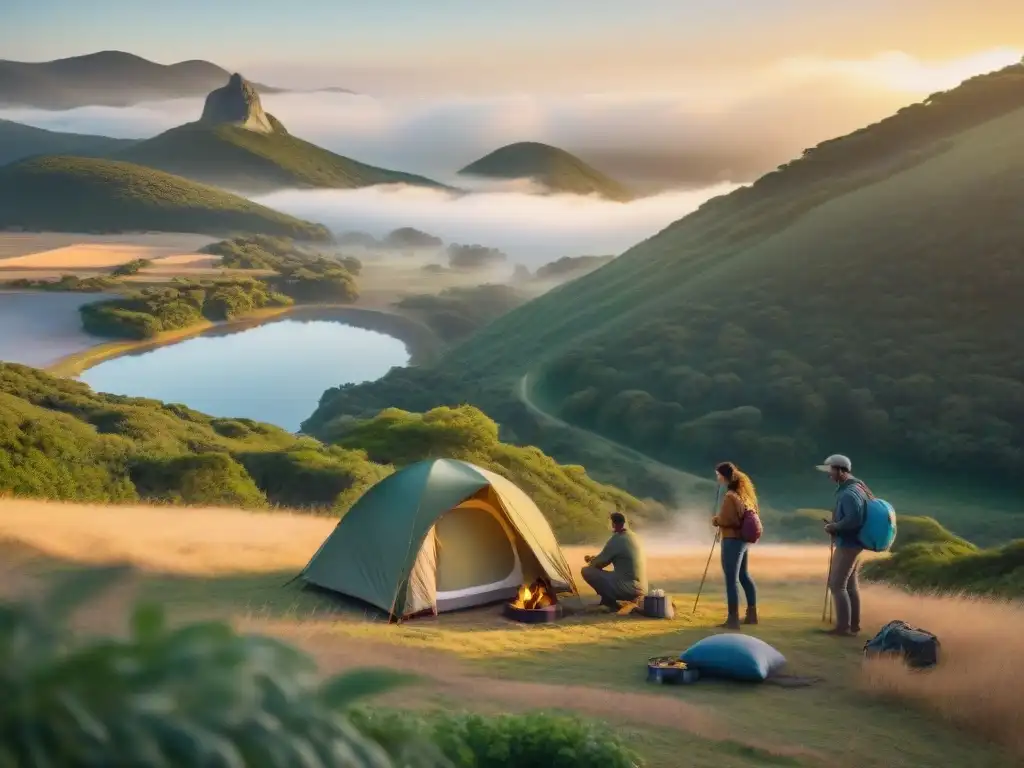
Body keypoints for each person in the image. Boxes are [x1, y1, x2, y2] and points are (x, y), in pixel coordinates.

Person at [817, 453, 868, 637]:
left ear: (840, 470)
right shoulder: (858, 487)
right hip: (855, 543)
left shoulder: (848, 493)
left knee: (836, 585)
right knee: (850, 586)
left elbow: (854, 519)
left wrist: (834, 527)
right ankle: (854, 625)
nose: (829, 474)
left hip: (848, 544)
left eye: (831, 470)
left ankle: (843, 627)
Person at [711, 462, 759, 629]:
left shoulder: (730, 496)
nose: (717, 478)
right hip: (743, 541)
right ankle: (752, 614)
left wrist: (716, 520)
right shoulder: (745, 496)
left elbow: (728, 520)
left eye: (719, 475)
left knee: (731, 579)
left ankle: (733, 619)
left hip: (732, 540)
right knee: (744, 575)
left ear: (724, 476)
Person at [581, 512, 648, 610]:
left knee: (587, 571)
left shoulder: (617, 539)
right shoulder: (635, 537)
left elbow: (599, 563)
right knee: (616, 574)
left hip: (629, 587)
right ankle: (611, 599)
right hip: (643, 587)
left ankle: (609, 602)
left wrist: (592, 561)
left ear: (613, 524)